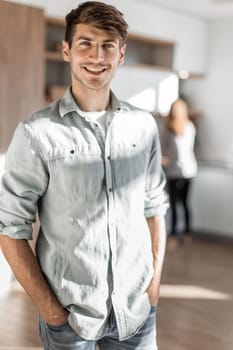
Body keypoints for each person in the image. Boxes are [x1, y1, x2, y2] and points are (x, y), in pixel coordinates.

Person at [0, 2, 168, 349]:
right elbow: (9, 228)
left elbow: (154, 207)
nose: (97, 56)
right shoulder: (37, 133)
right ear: (66, 50)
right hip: (70, 321)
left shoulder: (144, 126)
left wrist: (153, 286)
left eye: (108, 45)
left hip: (137, 314)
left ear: (121, 54)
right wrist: (51, 311)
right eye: (85, 43)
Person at [161, 98, 197, 249]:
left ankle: (187, 232)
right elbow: (164, 151)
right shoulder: (167, 129)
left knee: (183, 202)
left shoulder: (189, 127)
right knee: (175, 204)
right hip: (173, 171)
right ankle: (174, 235)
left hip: (187, 170)